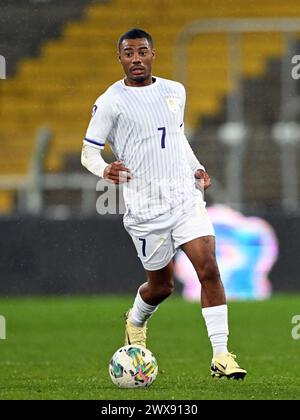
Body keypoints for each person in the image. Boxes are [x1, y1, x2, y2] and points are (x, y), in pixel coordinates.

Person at [81, 28, 247, 380]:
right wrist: (104, 168)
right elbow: (88, 151)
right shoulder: (110, 101)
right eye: (129, 53)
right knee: (162, 287)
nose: (136, 59)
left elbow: (176, 137)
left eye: (142, 51)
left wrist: (196, 167)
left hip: (184, 198)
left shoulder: (175, 91)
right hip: (146, 208)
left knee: (209, 268)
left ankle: (221, 355)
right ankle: (136, 319)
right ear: (121, 58)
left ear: (153, 54)